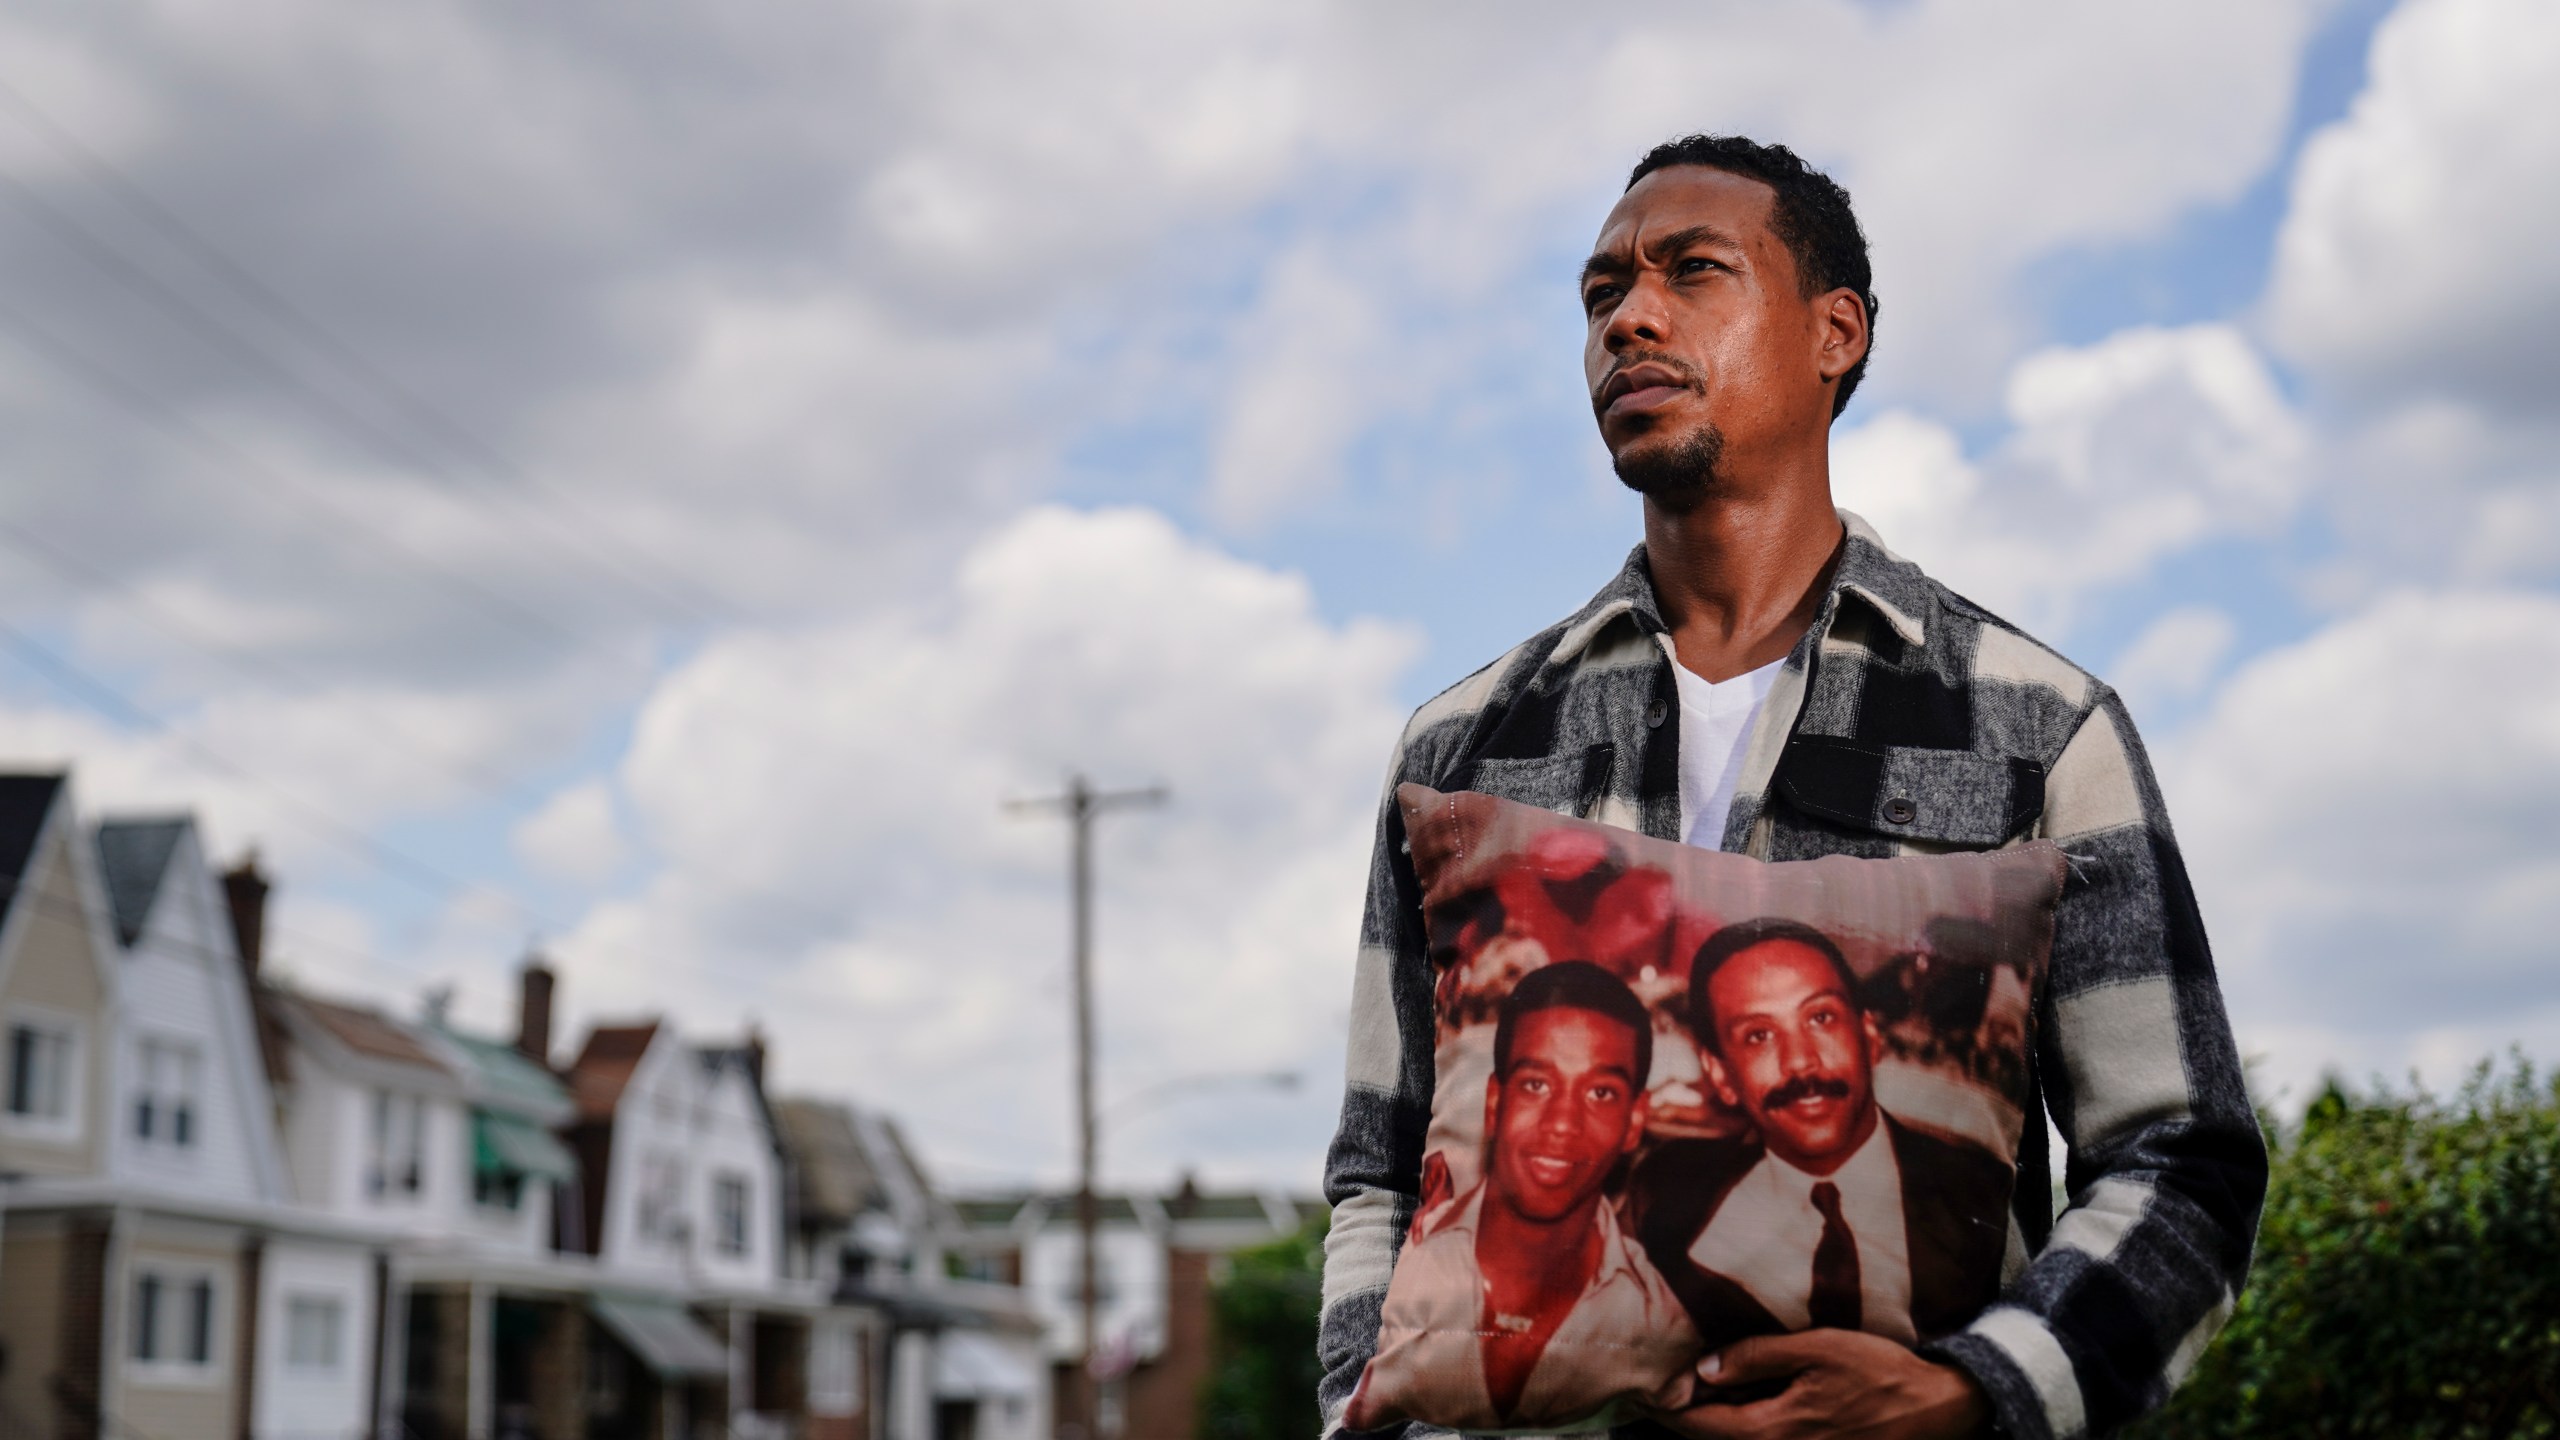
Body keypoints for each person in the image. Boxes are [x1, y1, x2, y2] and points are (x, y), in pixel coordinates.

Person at [1318, 134, 2267, 1440]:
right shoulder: (1459, 748)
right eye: (1601, 295)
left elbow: (2178, 1161)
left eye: (1690, 271)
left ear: (1836, 334)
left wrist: (1977, 1391)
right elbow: (1380, 1175)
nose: (1630, 318)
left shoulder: (2040, 725)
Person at [1345, 962, 1697, 1432]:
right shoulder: (1422, 1264)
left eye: (1600, 1092)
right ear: (1495, 1100)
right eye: (1536, 1084)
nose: (1562, 1123)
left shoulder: (1665, 1317)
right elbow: (1371, 1182)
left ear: (1635, 1120)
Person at [1629, 921, 2012, 1351]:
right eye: (1759, 1035)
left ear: (1868, 1038)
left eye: (1821, 1018)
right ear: (1721, 1075)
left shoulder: (1984, 1199)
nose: (1801, 1064)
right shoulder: (1661, 1197)